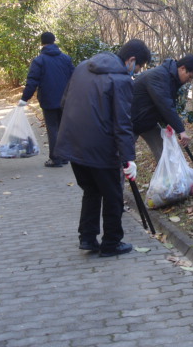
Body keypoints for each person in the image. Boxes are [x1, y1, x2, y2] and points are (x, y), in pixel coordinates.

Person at [55, 39, 151, 257]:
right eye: (138, 68)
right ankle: (111, 243)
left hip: (72, 143)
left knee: (91, 190)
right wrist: (128, 159)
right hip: (100, 149)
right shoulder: (121, 80)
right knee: (113, 195)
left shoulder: (82, 67)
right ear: (131, 60)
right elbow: (123, 122)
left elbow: (64, 102)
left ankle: (87, 238)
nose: (136, 72)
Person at [131, 54, 193, 161]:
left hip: (146, 122)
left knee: (166, 153)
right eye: (190, 77)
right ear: (182, 68)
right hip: (130, 121)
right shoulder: (159, 76)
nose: (189, 80)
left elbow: (165, 105)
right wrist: (181, 130)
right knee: (122, 159)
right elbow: (165, 105)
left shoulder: (171, 79)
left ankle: (168, 177)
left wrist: (171, 125)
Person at [19, 32, 75, 167]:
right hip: (65, 100)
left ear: (42, 43)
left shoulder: (39, 60)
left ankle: (55, 159)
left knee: (53, 129)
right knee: (63, 128)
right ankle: (65, 157)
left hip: (48, 100)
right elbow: (74, 77)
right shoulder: (66, 59)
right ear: (54, 41)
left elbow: (32, 81)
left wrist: (24, 99)